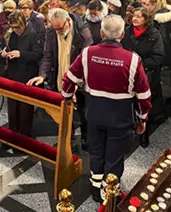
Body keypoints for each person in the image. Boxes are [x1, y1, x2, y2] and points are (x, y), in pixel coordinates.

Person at [61, 15, 152, 203]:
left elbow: (68, 79)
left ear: (101, 33)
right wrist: (142, 118)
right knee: (114, 157)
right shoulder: (133, 60)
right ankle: (109, 193)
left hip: (94, 114)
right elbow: (143, 95)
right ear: (122, 35)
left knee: (96, 152)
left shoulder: (87, 53)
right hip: (121, 118)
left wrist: (68, 98)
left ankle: (95, 189)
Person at [28, 8, 92, 148]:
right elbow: (48, 55)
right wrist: (42, 75)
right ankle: (68, 141)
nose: (57, 32)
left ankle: (86, 139)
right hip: (60, 77)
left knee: (83, 113)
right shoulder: (51, 31)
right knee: (64, 113)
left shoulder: (83, 33)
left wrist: (76, 84)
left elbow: (85, 62)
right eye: (54, 28)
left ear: (68, 21)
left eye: (60, 28)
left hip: (80, 80)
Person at [122, 7, 164, 148]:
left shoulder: (154, 34)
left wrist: (138, 64)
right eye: (134, 15)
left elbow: (158, 56)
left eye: (139, 16)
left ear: (146, 19)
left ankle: (144, 133)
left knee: (143, 104)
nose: (135, 18)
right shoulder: (126, 32)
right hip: (127, 73)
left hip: (146, 73)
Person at [0, 11, 43, 136]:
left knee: (25, 108)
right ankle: (13, 131)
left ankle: (25, 134)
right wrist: (2, 53)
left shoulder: (33, 35)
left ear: (24, 23)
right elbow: (1, 47)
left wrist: (21, 54)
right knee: (12, 106)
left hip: (27, 75)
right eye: (13, 27)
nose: (15, 30)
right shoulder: (9, 33)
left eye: (18, 27)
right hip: (12, 73)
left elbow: (38, 54)